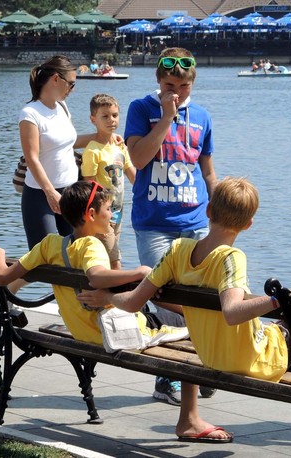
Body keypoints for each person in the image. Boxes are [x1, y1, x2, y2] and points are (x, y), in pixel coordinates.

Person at [77, 177, 291, 456]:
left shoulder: (178, 250)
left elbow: (132, 302)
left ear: (207, 210)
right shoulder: (232, 257)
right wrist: (279, 298)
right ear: (248, 224)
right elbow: (232, 313)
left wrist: (107, 298)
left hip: (210, 356)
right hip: (257, 359)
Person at [124, 47, 216, 405]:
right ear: (158, 81)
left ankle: (195, 368)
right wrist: (166, 117)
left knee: (201, 298)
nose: (176, 92)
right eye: (168, 84)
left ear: (193, 83)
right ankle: (169, 378)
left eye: (183, 86)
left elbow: (206, 168)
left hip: (195, 220)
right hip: (154, 223)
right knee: (166, 300)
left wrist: (219, 207)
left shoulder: (203, 116)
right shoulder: (141, 109)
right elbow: (138, 157)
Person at [0, 180, 186, 347]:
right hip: (116, 333)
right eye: (108, 209)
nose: (111, 215)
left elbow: (2, 277)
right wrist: (139, 272)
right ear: (91, 214)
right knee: (187, 319)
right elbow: (96, 276)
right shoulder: (91, 245)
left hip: (82, 332)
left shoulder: (49, 245)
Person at [18, 55, 110, 249]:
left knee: (75, 254)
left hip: (70, 194)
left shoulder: (62, 106)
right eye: (71, 84)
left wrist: (103, 137)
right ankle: (4, 276)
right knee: (46, 258)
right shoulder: (30, 113)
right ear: (56, 79)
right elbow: (31, 157)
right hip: (40, 195)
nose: (72, 90)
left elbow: (68, 142)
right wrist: (50, 192)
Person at [81, 94, 136, 269]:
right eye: (104, 116)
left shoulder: (120, 146)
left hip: (118, 212)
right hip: (101, 215)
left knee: (108, 256)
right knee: (114, 261)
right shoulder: (92, 150)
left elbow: (132, 175)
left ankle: (103, 293)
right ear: (93, 119)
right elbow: (88, 184)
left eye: (114, 115)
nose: (111, 120)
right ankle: (118, 293)